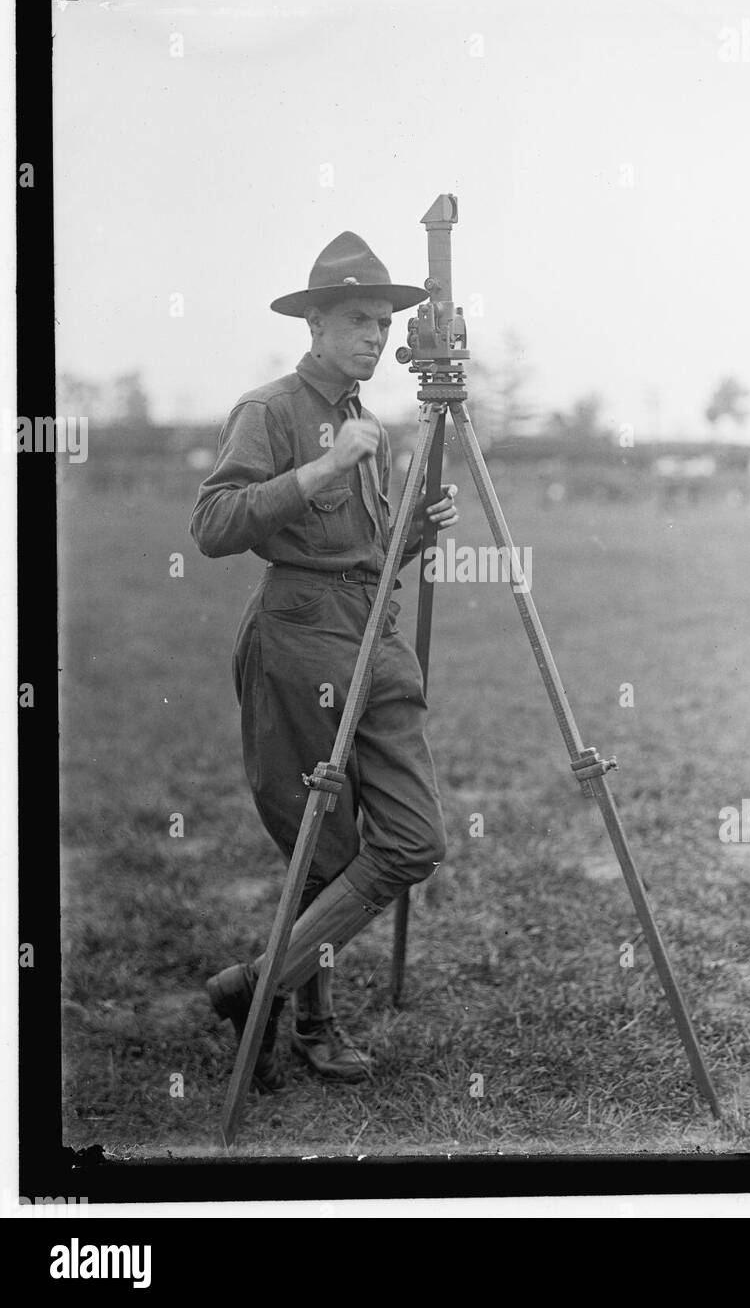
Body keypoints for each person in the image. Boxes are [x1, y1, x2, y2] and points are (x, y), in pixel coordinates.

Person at [190, 231, 458, 1091]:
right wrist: (318, 469)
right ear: (313, 325)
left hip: (372, 640)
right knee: (325, 846)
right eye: (357, 321)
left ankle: (254, 988)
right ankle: (314, 1020)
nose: (375, 338)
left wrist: (412, 532)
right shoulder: (269, 411)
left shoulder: (368, 421)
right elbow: (216, 526)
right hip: (299, 639)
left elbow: (361, 553)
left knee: (412, 840)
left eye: (383, 323)